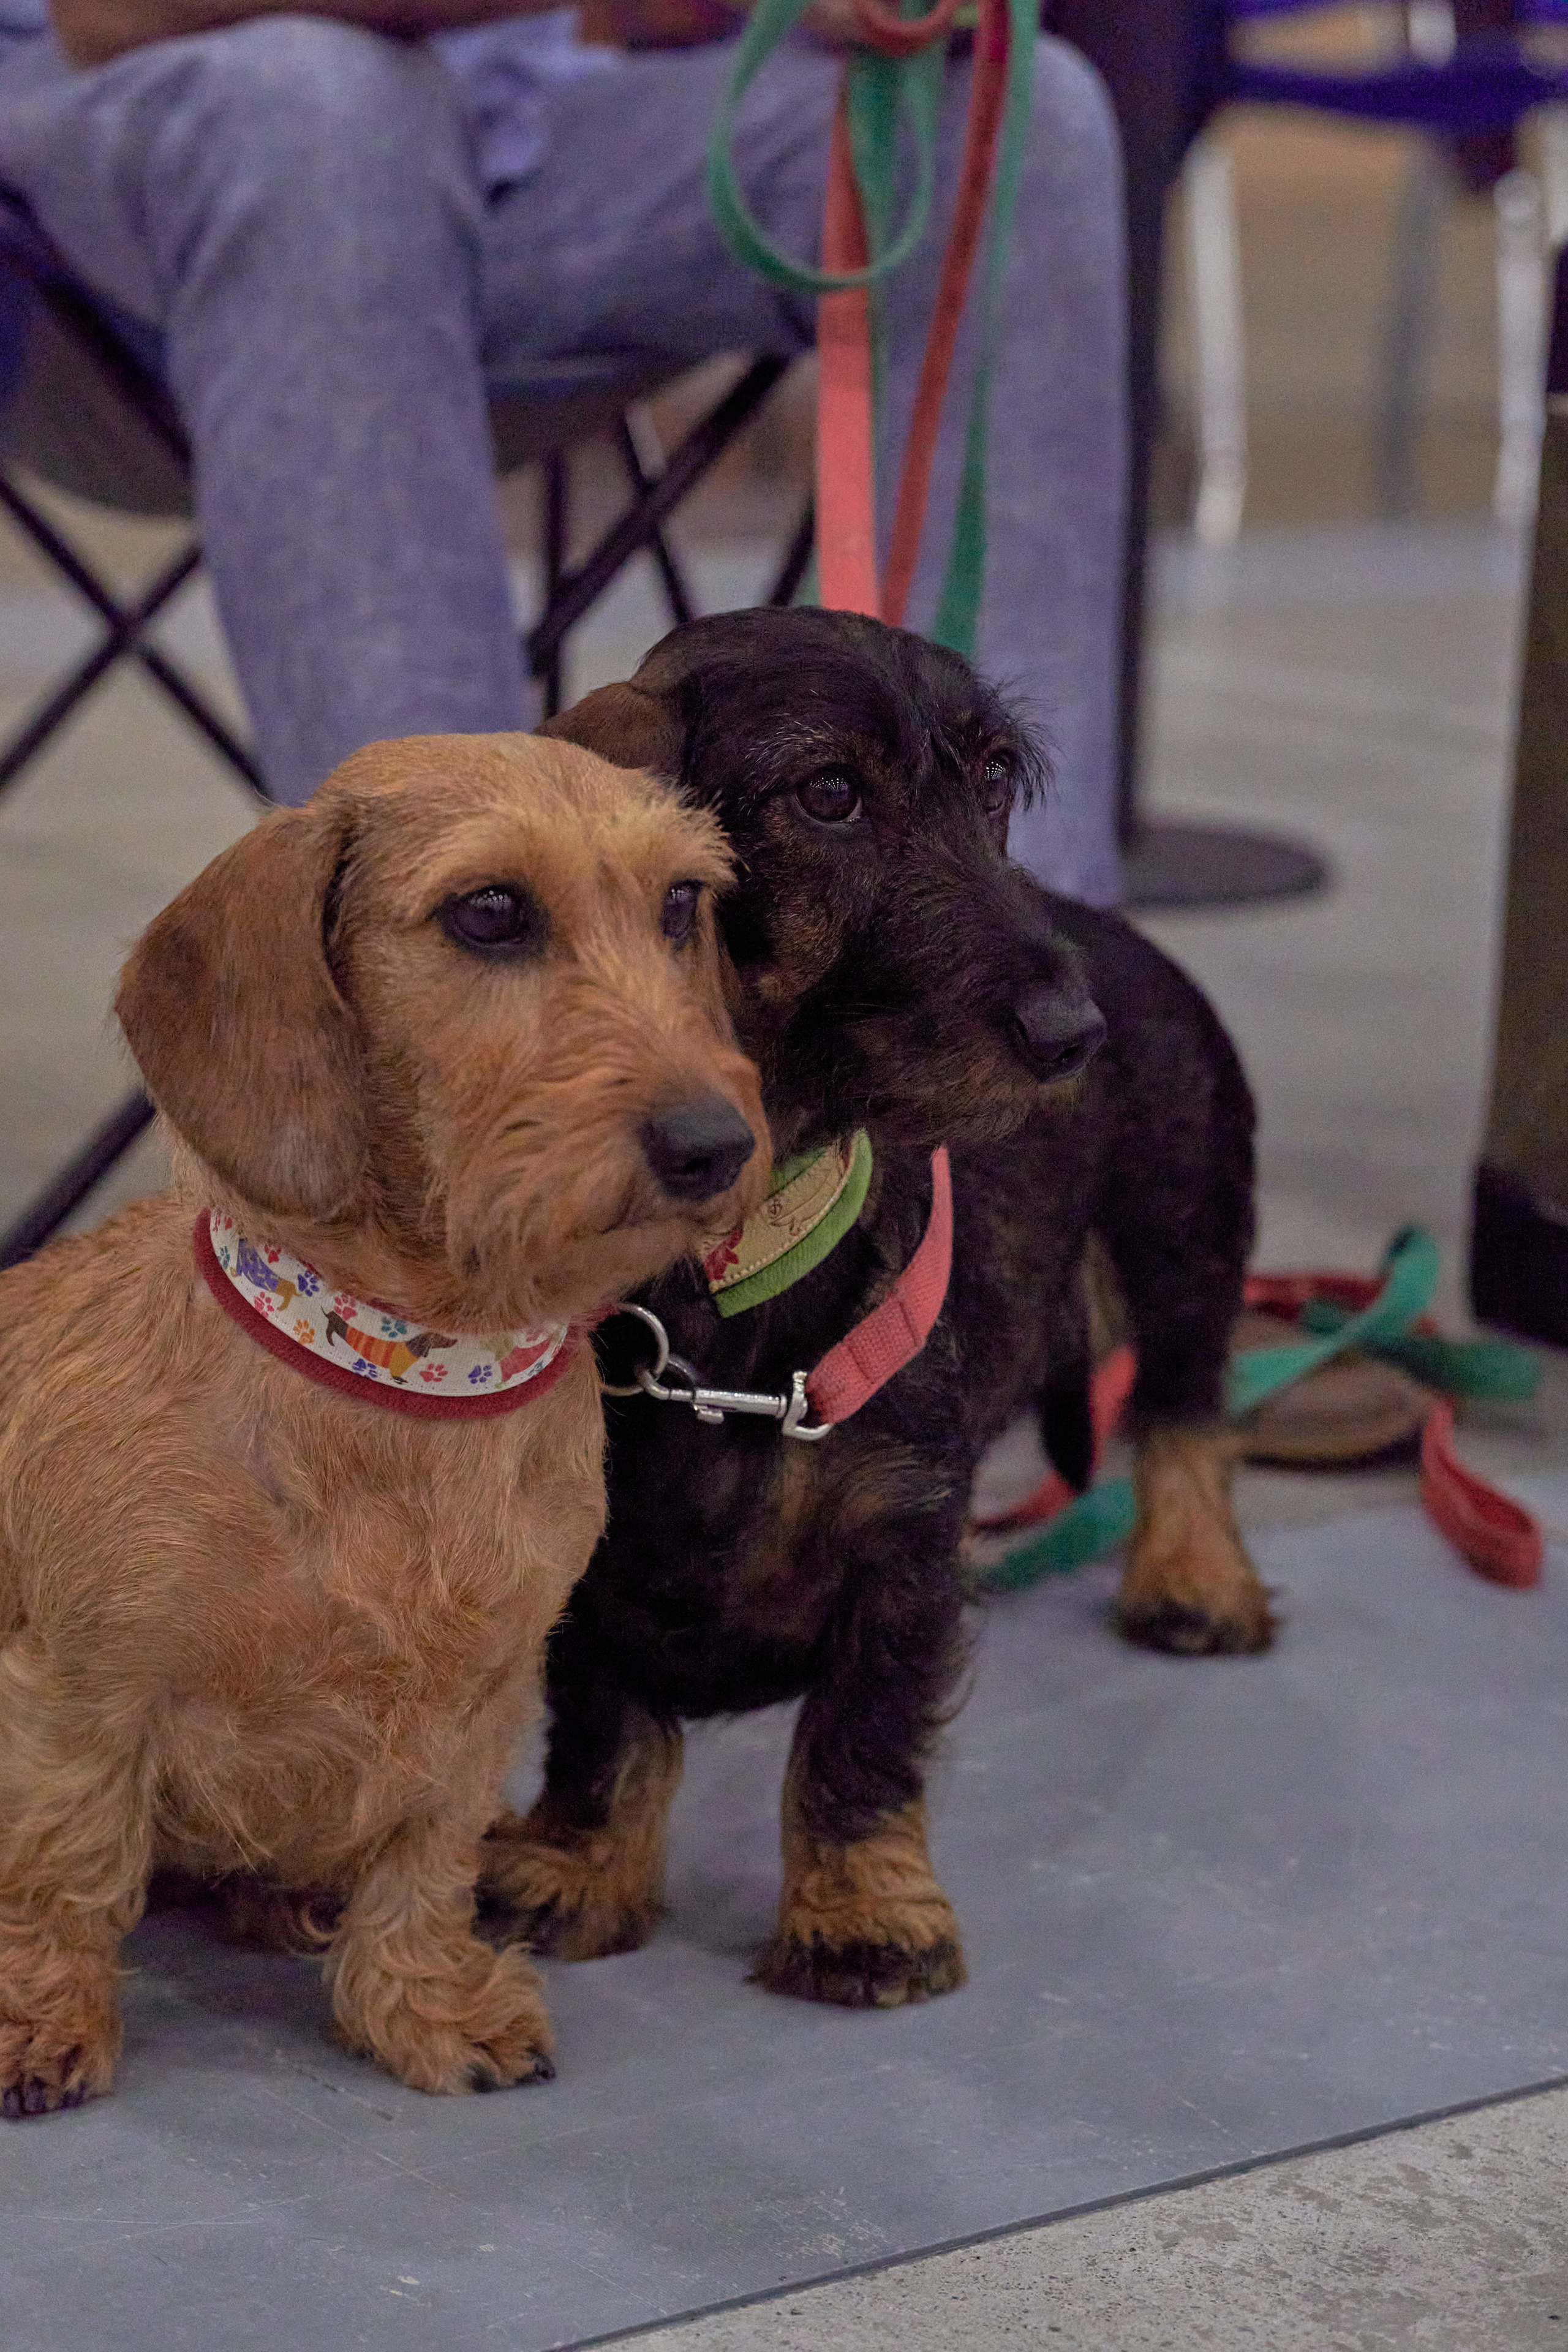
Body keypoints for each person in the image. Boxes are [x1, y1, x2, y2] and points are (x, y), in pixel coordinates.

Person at [0, 0, 1126, 901]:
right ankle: (479, 1007)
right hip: (105, 211)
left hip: (525, 149)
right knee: (322, 104)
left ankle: (1012, 1023)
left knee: (1020, 122)